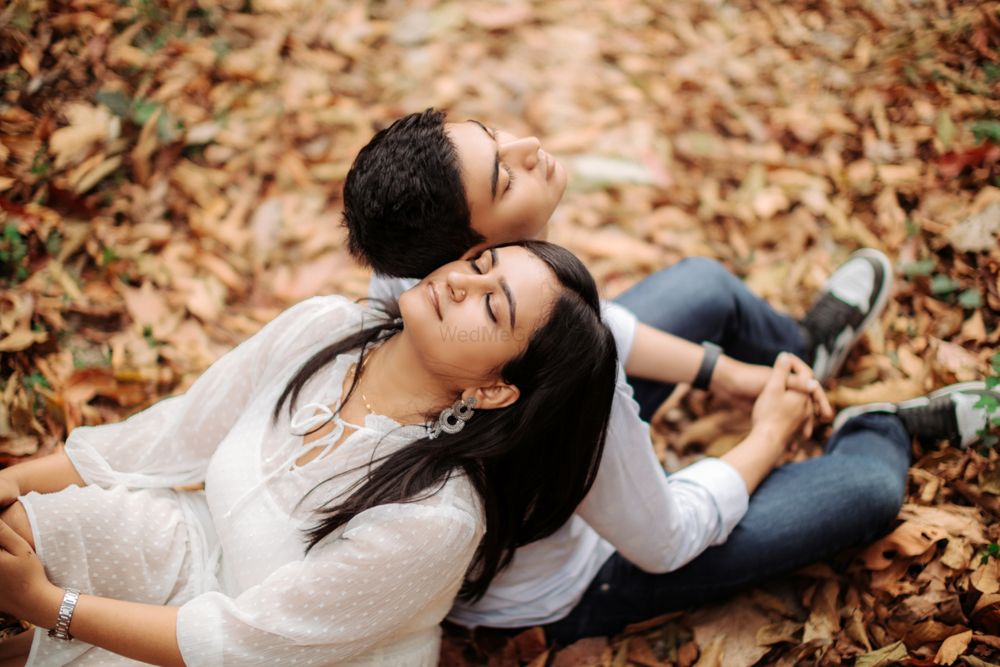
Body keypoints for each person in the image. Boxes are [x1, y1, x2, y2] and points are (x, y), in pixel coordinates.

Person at [340, 108, 1000, 642]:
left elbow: (582, 321)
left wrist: (730, 375)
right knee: (867, 489)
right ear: (477, 251)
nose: (530, 144)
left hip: (549, 411)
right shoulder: (554, 396)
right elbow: (666, 537)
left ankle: (797, 354)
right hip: (577, 576)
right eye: (504, 179)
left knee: (702, 286)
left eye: (494, 137)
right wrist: (769, 432)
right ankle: (873, 427)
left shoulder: (423, 275)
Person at [0, 240, 620, 665]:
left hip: (277, 654)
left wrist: (49, 607)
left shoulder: (435, 517)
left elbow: (244, 646)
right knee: (20, 527)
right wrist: (15, 482)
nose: (460, 280)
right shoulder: (322, 327)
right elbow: (170, 437)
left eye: (490, 303)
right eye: (479, 262)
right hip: (191, 539)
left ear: (492, 389)